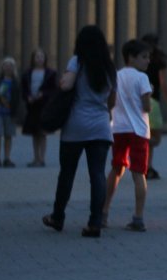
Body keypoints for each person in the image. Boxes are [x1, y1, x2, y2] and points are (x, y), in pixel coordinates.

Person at [43, 25, 117, 238]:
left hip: (75, 127)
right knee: (98, 174)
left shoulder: (77, 62)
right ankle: (95, 222)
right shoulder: (109, 68)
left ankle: (57, 217)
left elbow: (66, 86)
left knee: (67, 173)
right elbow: (112, 101)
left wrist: (64, 79)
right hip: (101, 127)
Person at [102, 38, 154, 232]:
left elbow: (110, 101)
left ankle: (103, 212)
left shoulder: (116, 76)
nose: (148, 61)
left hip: (118, 128)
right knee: (139, 173)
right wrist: (149, 95)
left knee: (116, 168)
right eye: (144, 57)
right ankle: (138, 217)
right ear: (131, 57)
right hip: (138, 130)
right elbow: (146, 106)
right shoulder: (142, 78)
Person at [139, 31, 167, 180]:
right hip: (153, 102)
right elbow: (163, 84)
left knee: (147, 136)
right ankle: (146, 165)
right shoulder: (159, 60)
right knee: (154, 138)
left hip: (139, 101)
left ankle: (146, 165)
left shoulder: (138, 60)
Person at [21, 47, 59, 167]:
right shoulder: (27, 73)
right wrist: (27, 97)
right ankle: (35, 157)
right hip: (32, 106)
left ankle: (42, 158)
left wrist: (43, 94)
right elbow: (24, 89)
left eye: (41, 56)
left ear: (45, 59)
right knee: (34, 133)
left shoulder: (50, 73)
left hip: (44, 105)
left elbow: (53, 90)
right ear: (33, 58)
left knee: (42, 133)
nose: (39, 59)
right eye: (37, 56)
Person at [0, 56, 21, 167]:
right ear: (2, 67)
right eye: (6, 65)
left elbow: (18, 98)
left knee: (8, 135)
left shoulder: (16, 82)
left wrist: (16, 112)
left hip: (10, 112)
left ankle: (7, 158)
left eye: (10, 65)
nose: (8, 67)